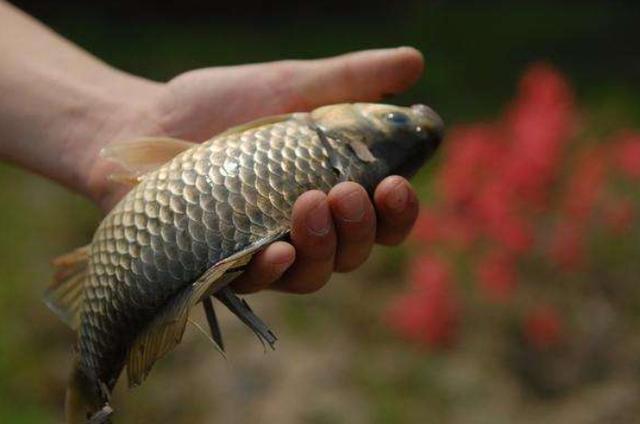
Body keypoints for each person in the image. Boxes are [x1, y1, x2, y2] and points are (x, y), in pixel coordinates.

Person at [0, 1, 423, 294]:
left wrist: (118, 125)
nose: (402, 111)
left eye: (397, 121)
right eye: (398, 118)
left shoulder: (319, 133)